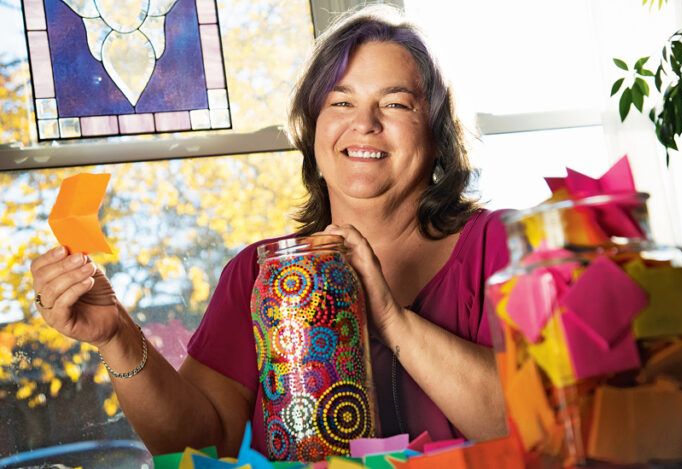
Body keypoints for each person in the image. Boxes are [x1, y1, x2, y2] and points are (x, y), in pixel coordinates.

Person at [29, 5, 509, 458]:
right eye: (340, 101)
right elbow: (201, 445)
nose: (364, 123)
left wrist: (388, 316)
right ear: (314, 131)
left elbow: (538, 423)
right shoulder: (260, 274)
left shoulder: (502, 247)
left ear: (437, 132)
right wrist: (116, 335)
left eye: (397, 104)